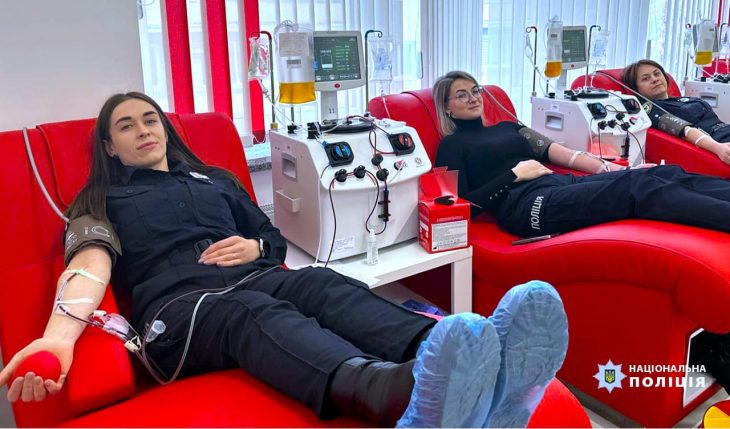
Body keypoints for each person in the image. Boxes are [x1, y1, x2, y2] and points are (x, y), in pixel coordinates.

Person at [0, 91, 569, 428]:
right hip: (178, 314)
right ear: (109, 146)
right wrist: (58, 337)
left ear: (166, 130)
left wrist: (254, 248)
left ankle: (469, 358)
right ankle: (391, 394)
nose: (143, 130)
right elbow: (90, 261)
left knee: (320, 282)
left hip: (254, 276)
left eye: (150, 119)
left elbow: (270, 238)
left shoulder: (215, 180)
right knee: (251, 312)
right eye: (126, 126)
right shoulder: (100, 199)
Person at [433, 69, 730, 393]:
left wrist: (613, 169)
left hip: (559, 184)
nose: (473, 98)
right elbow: (462, 206)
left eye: (475, 90)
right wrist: (513, 175)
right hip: (527, 205)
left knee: (661, 174)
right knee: (639, 190)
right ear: (447, 107)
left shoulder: (509, 127)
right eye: (461, 94)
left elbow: (561, 153)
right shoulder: (451, 146)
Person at [621, 59, 730, 165]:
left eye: (657, 74)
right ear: (635, 89)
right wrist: (717, 148)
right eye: (645, 78)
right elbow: (685, 131)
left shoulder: (683, 99)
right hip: (719, 143)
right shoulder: (651, 110)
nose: (654, 79)